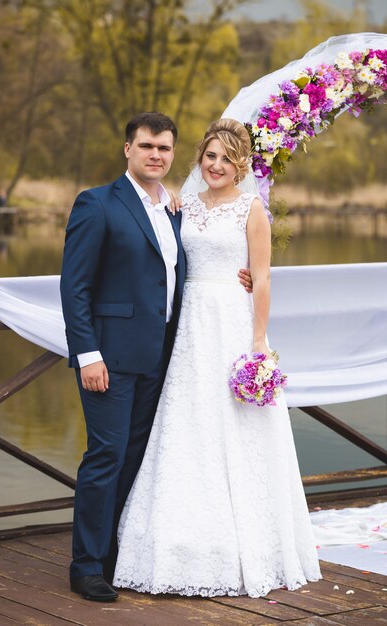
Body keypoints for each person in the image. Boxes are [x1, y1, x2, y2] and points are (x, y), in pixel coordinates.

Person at [113, 118, 322, 598]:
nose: (217, 165)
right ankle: (176, 540)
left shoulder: (252, 210)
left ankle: (250, 543)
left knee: (238, 427)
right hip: (188, 328)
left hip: (233, 324)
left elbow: (263, 278)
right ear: (199, 160)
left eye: (227, 158)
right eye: (210, 156)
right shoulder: (182, 206)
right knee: (187, 425)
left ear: (241, 164)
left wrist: (257, 340)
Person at [60, 112, 252, 602]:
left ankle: (111, 555)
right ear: (128, 149)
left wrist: (241, 277)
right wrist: (87, 354)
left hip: (162, 358)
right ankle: (85, 567)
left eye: (165, 149)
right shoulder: (97, 203)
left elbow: (193, 267)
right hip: (109, 358)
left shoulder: (175, 211)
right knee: (104, 456)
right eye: (147, 146)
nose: (156, 155)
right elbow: (74, 288)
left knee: (135, 459)